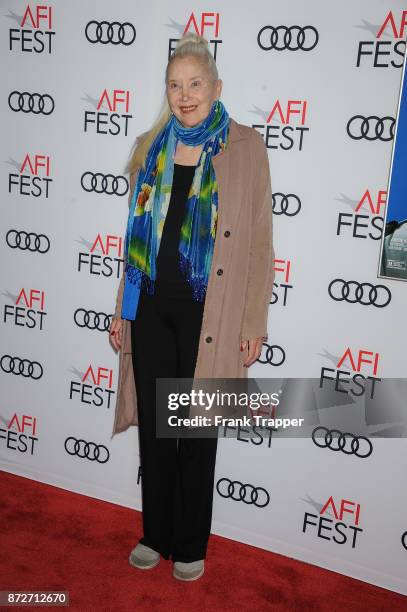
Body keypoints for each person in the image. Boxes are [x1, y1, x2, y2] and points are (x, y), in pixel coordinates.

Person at [109, 32, 275, 582]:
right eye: (175, 85)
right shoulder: (150, 148)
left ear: (216, 86)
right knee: (155, 429)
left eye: (195, 84)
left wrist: (253, 322)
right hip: (152, 309)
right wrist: (122, 311)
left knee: (196, 431)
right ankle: (154, 534)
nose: (185, 95)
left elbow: (258, 244)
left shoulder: (246, 148)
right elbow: (135, 244)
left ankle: (190, 543)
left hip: (214, 314)